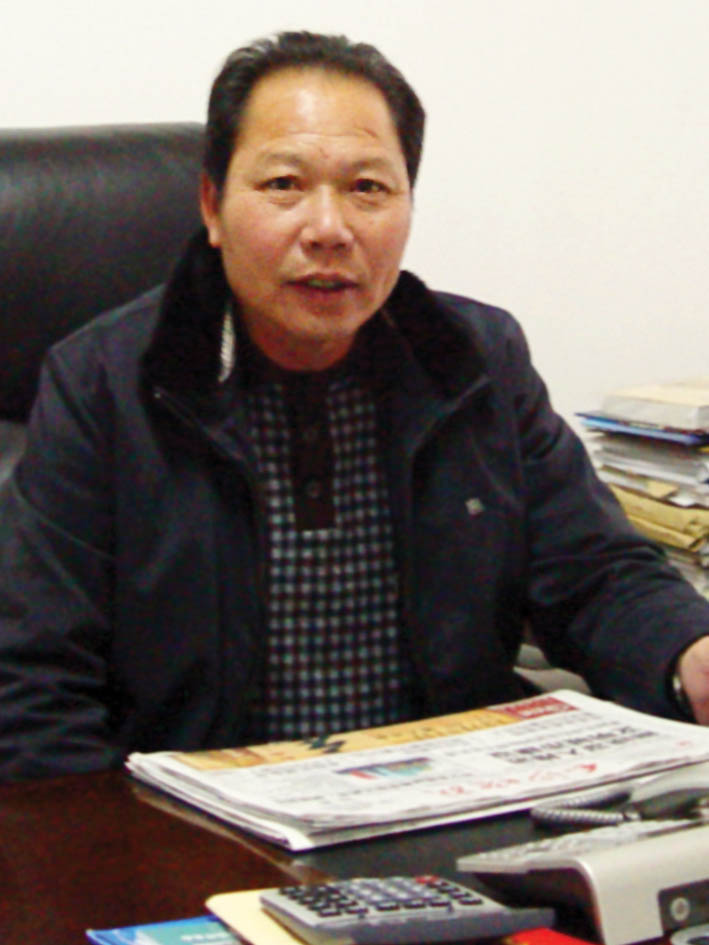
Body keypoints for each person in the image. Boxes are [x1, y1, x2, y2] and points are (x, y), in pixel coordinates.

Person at [1, 31, 709, 782]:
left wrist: (687, 651)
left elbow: (594, 572)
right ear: (212, 205)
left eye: (367, 188)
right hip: (200, 819)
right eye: (284, 184)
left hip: (446, 801)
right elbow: (34, 683)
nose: (329, 230)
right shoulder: (105, 384)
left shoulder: (474, 362)